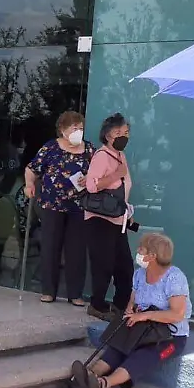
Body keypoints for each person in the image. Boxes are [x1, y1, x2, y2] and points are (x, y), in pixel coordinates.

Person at [71, 232, 190, 388]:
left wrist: (145, 316)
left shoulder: (175, 277)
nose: (138, 251)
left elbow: (177, 314)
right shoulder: (139, 274)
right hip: (142, 328)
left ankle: (104, 383)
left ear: (152, 256)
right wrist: (130, 310)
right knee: (117, 347)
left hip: (169, 336)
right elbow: (133, 300)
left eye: (142, 249)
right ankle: (90, 375)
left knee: (143, 355)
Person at [25, 111, 94, 306]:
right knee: (50, 247)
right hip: (52, 205)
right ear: (63, 129)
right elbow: (32, 169)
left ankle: (75, 294)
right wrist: (29, 184)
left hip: (78, 206)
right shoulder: (51, 148)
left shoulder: (89, 149)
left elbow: (98, 172)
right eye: (74, 128)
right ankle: (48, 291)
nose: (78, 132)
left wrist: (90, 178)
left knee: (76, 250)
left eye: (81, 128)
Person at [84, 113, 134, 320]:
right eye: (118, 132)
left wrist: (127, 213)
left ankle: (120, 305)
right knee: (103, 264)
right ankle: (97, 305)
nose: (123, 136)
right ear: (107, 135)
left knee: (124, 266)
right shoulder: (102, 156)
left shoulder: (121, 156)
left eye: (126, 132)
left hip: (117, 219)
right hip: (100, 218)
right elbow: (91, 186)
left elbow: (122, 189)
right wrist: (115, 174)